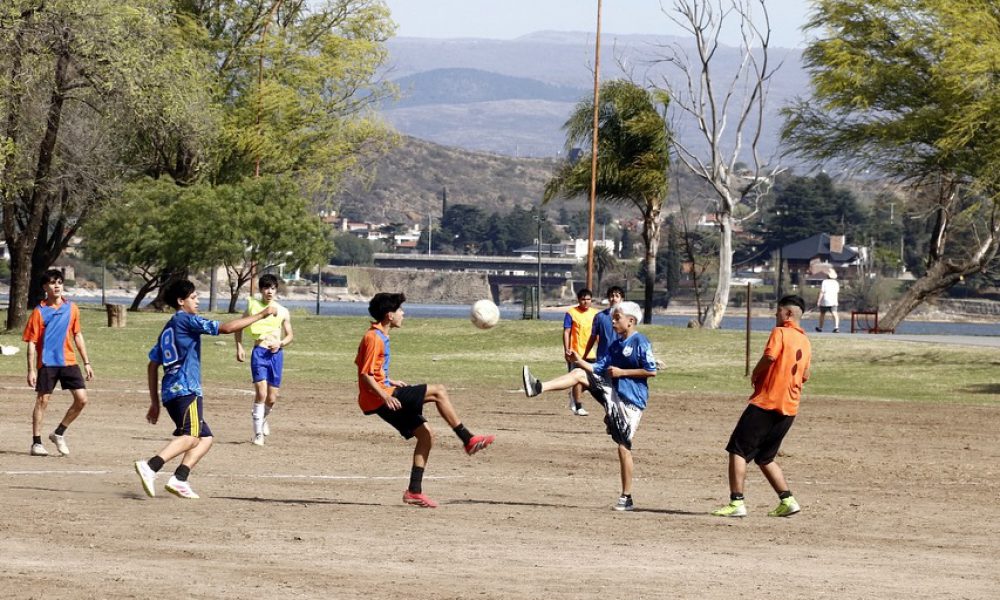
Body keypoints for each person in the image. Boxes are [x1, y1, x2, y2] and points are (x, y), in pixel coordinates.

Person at [134, 279, 276, 499]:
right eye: (193, 297)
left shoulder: (168, 328)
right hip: (186, 390)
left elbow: (153, 364)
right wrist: (262, 314)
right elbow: (226, 328)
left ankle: (179, 478)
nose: (197, 301)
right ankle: (151, 466)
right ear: (181, 302)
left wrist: (154, 402)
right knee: (191, 437)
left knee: (205, 438)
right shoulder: (187, 320)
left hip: (171, 393)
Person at [355, 292, 495, 508]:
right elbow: (364, 374)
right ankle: (467, 439)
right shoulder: (373, 337)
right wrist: (385, 394)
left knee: (426, 435)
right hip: (381, 398)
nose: (403, 313)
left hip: (380, 395)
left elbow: (369, 369)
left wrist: (389, 381)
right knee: (439, 391)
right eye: (400, 310)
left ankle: (414, 491)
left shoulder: (379, 335)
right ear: (389, 315)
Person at [522, 301, 657, 511]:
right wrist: (578, 359)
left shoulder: (641, 341)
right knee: (579, 373)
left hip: (631, 403)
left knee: (623, 446)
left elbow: (651, 370)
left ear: (630, 321)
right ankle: (538, 387)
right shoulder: (614, 345)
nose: (612, 321)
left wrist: (623, 372)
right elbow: (597, 368)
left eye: (617, 317)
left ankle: (626, 497)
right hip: (612, 392)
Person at [711, 294, 812, 518]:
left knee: (737, 449)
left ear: (787, 314)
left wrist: (756, 372)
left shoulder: (780, 332)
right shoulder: (805, 341)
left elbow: (770, 357)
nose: (775, 315)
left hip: (767, 402)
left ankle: (736, 502)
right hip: (790, 408)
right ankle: (788, 501)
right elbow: (805, 375)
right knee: (765, 457)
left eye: (777, 311)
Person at [22, 269, 94, 457]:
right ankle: (36, 443)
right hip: (47, 362)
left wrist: (86, 362)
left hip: (68, 361)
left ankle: (59, 432)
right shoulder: (39, 312)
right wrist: (31, 370)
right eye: (53, 283)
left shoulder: (72, 308)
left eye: (60, 282)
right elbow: (31, 343)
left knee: (82, 399)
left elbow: (77, 335)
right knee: (42, 400)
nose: (57, 286)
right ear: (45, 287)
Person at [235, 273, 293, 446]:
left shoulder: (282, 311)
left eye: (273, 288)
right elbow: (239, 326)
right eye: (266, 288)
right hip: (259, 353)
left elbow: (290, 335)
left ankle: (263, 419)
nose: (270, 291)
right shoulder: (253, 307)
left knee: (272, 398)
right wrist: (239, 346)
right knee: (261, 393)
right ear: (261, 290)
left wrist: (281, 343)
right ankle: (258, 434)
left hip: (276, 355)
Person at [563, 288, 599, 416]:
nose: (586, 302)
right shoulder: (571, 313)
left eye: (588, 299)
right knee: (577, 379)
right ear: (579, 300)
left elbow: (598, 334)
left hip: (591, 354)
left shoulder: (596, 314)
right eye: (583, 299)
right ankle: (578, 406)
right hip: (576, 353)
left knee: (593, 381)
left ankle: (573, 394)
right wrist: (566, 349)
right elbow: (567, 332)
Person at [583, 286, 625, 363]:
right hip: (603, 358)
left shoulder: (627, 317)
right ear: (608, 298)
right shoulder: (599, 316)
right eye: (611, 296)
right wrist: (585, 355)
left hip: (621, 358)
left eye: (617, 296)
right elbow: (592, 337)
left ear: (622, 299)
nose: (614, 298)